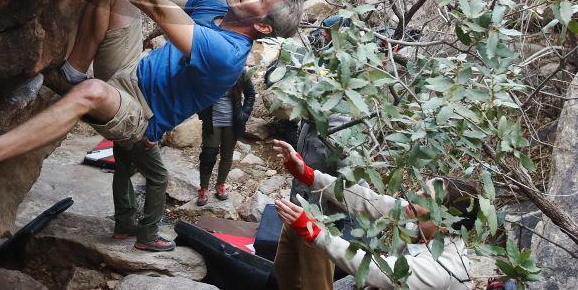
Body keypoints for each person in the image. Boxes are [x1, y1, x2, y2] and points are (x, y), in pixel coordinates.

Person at [0, 0, 303, 252]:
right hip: (131, 70)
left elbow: (157, 7)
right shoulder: (215, 8)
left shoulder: (227, 53)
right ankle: (72, 70)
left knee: (93, 95)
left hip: (141, 116)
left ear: (264, 27)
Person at [273, 139, 480, 290]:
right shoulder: (418, 220)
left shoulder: (438, 269)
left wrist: (316, 233)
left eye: (425, 196)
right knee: (299, 229)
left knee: (313, 233)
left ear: (444, 222)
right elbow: (370, 201)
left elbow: (376, 270)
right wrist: (309, 175)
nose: (415, 195)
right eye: (421, 189)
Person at [268, 15, 353, 290]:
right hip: (297, 208)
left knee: (316, 283)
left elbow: (349, 176)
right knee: (284, 273)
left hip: (320, 219)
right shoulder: (312, 112)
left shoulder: (341, 119)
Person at [196, 69, 255, 205]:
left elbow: (250, 94)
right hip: (212, 122)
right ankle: (204, 188)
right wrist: (201, 113)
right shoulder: (209, 70)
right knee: (208, 155)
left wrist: (244, 114)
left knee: (227, 155)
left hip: (232, 123)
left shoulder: (240, 72)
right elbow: (196, 92)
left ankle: (220, 184)